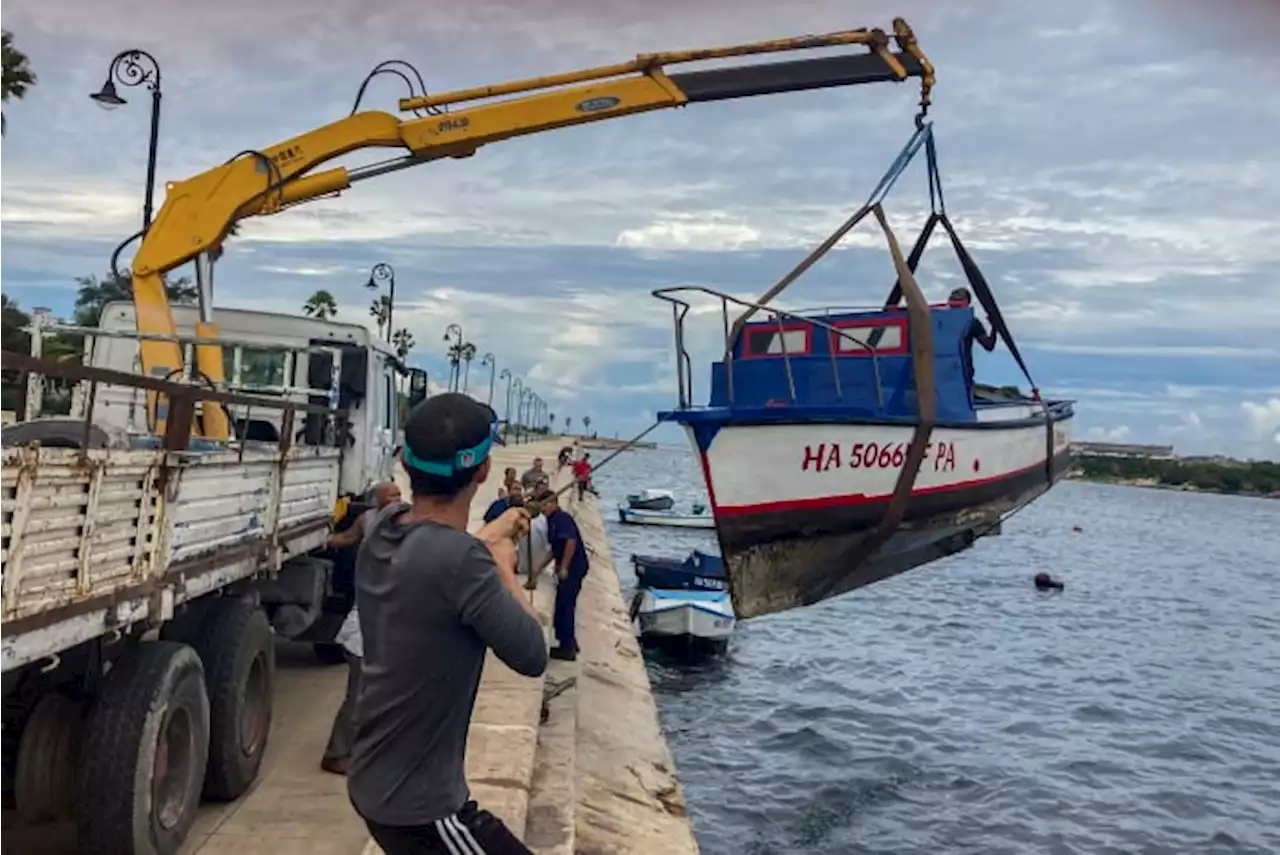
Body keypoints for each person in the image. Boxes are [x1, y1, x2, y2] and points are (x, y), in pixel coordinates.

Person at [347, 393, 548, 855]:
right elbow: (532, 654)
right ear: (483, 471)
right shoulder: (465, 563)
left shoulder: (384, 527)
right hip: (421, 809)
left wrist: (489, 537)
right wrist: (501, 563)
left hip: (373, 781)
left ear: (404, 461)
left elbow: (437, 552)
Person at [321, 480, 401, 776]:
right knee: (358, 697)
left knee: (375, 697)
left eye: (398, 495)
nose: (396, 499)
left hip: (377, 631)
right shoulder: (369, 520)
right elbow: (346, 538)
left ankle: (361, 750)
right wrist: (320, 539)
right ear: (377, 500)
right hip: (361, 634)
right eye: (390, 496)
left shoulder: (404, 523)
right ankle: (336, 753)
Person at [535, 488, 589, 662]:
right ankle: (569, 641)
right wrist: (538, 568)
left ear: (553, 503)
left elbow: (570, 542)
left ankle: (567, 648)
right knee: (563, 603)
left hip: (574, 567)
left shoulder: (561, 519)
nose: (542, 509)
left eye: (544, 505)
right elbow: (554, 549)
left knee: (565, 605)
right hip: (568, 566)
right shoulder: (551, 521)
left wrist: (564, 567)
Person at [948, 287, 997, 388]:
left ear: (966, 303)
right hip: (941, 373)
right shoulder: (939, 320)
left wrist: (994, 327)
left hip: (964, 373)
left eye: (959, 300)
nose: (955, 302)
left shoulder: (972, 323)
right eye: (953, 299)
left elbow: (989, 345)